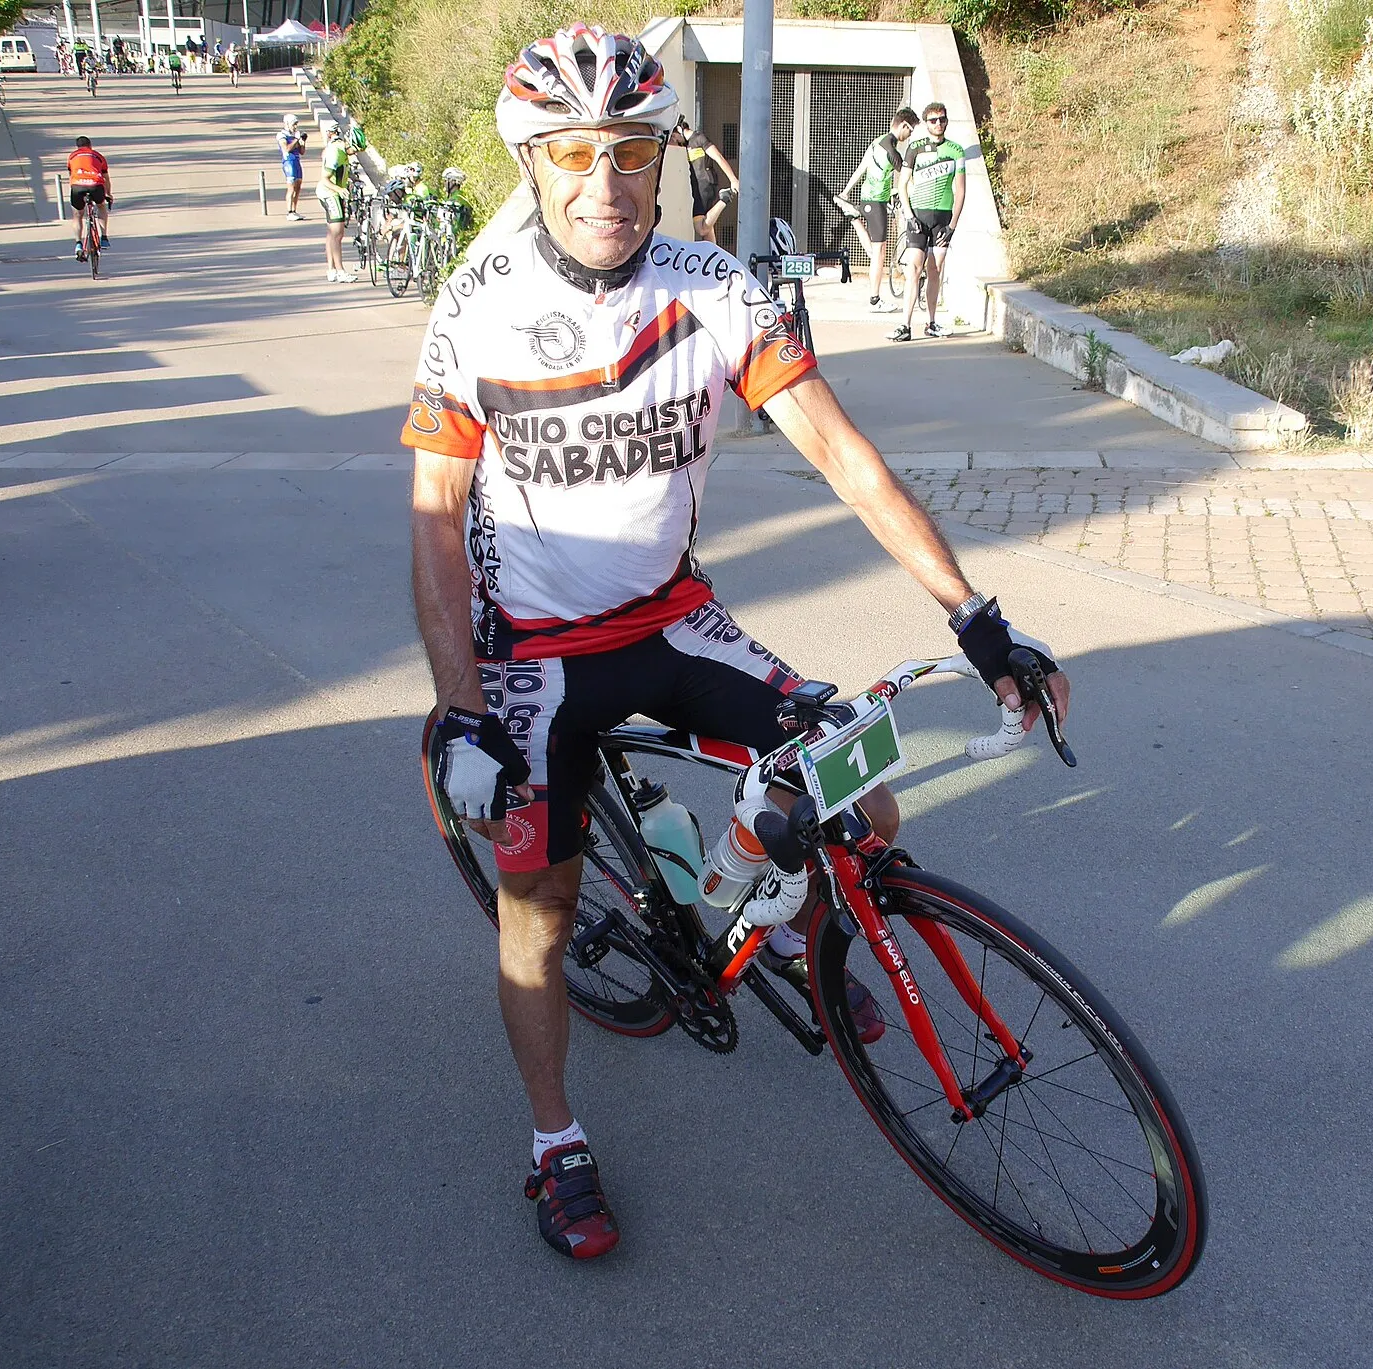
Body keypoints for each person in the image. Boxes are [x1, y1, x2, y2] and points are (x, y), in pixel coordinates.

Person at [401, 23, 1070, 1264]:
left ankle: (809, 935)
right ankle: (554, 1140)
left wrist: (973, 618)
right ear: (532, 163)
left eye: (632, 154)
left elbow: (840, 453)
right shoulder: (480, 308)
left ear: (664, 161)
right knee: (538, 905)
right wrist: (460, 712)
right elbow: (435, 519)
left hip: (668, 616)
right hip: (532, 657)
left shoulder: (709, 287)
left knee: (855, 789)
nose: (605, 182)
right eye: (574, 154)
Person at [892, 102, 967, 342]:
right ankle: (904, 325)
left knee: (934, 270)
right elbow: (902, 185)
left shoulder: (956, 150)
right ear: (926, 123)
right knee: (913, 268)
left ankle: (931, 322)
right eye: (933, 120)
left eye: (942, 119)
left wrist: (952, 225)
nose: (938, 124)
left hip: (943, 217)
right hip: (918, 216)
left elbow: (961, 191)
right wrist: (909, 215)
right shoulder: (915, 148)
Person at [840, 107, 916, 314]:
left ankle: (855, 218)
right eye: (910, 131)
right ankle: (875, 300)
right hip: (877, 202)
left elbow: (862, 167)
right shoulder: (893, 152)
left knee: (875, 252)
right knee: (879, 253)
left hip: (866, 199)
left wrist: (846, 192)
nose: (909, 136)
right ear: (903, 126)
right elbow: (908, 179)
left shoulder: (877, 141)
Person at [673, 115, 737, 242]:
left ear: (679, 130)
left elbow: (718, 157)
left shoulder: (698, 139)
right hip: (699, 188)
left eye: (673, 138)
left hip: (705, 186)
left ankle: (725, 197)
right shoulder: (688, 144)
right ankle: (715, 256)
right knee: (708, 230)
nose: (674, 142)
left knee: (701, 228)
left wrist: (733, 180)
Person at [318, 124, 363, 283]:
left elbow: (342, 169)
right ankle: (340, 270)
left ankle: (331, 270)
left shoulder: (342, 151)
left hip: (333, 192)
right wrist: (339, 189)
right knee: (338, 233)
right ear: (349, 143)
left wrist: (354, 178)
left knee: (332, 233)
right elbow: (325, 178)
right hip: (330, 193)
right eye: (355, 150)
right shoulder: (336, 152)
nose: (355, 153)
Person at [66, 135, 112, 259]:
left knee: (77, 215)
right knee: (101, 206)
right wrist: (108, 194)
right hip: (95, 185)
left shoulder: (72, 156)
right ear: (90, 145)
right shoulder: (98, 156)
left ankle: (78, 244)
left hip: (78, 187)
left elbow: (71, 174)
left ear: (77, 147)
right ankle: (104, 237)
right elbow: (106, 178)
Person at [278, 114, 306, 219]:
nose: (295, 127)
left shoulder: (295, 135)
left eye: (296, 124)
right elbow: (287, 149)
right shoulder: (281, 135)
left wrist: (302, 142)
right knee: (291, 188)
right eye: (294, 124)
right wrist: (296, 139)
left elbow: (302, 151)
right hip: (289, 162)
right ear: (287, 124)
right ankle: (289, 212)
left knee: (298, 187)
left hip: (297, 161)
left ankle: (294, 210)